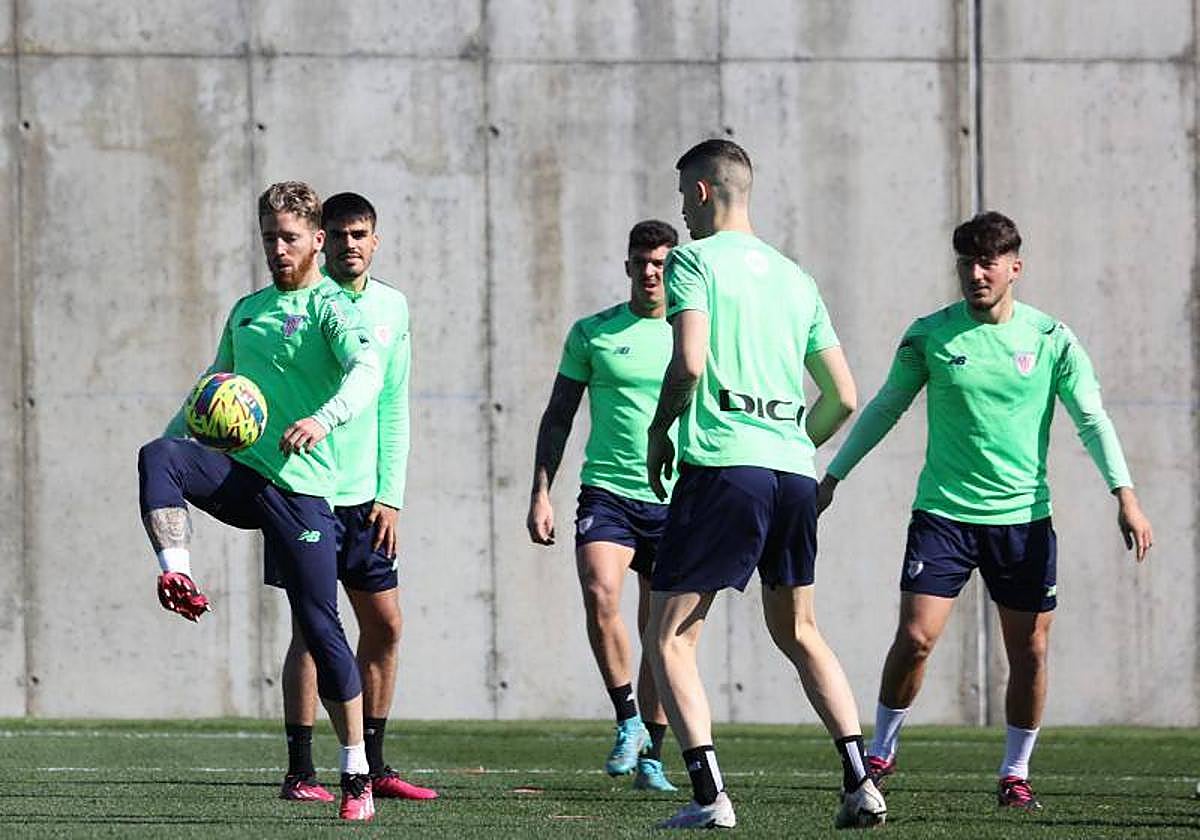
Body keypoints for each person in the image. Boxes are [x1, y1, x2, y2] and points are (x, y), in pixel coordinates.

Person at [818, 211, 1154, 810]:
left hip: (1023, 522)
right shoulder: (931, 334)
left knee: (1030, 652)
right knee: (916, 638)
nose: (976, 274)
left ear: (1014, 268)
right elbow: (887, 406)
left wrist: (1124, 495)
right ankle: (882, 751)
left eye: (988, 263)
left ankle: (1015, 772)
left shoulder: (1051, 339)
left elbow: (1091, 418)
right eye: (966, 263)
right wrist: (833, 476)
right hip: (943, 516)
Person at [645, 139, 887, 830]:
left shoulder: (693, 261)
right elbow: (843, 396)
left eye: (682, 196)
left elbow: (690, 363)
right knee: (800, 630)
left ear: (700, 192)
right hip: (791, 473)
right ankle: (860, 783)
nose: (682, 212)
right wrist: (791, 443)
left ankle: (708, 797)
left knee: (669, 636)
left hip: (725, 467)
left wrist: (662, 429)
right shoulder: (796, 278)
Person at [138, 181, 383, 821]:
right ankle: (178, 575)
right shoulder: (248, 310)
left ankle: (356, 769)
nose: (278, 248)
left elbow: (367, 373)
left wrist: (324, 419)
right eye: (269, 237)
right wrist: (178, 441)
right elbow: (210, 385)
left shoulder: (334, 308)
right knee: (158, 455)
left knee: (320, 628)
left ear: (317, 240)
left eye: (290, 238)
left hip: (302, 493)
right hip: (244, 478)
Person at [270, 192, 437, 804]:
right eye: (338, 234)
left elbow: (393, 403)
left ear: (375, 239)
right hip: (304, 490)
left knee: (385, 625)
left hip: (366, 500)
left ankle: (376, 761)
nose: (349, 245)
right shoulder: (302, 305)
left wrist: (390, 495)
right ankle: (301, 772)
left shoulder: (393, 307)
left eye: (359, 234)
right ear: (321, 240)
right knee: (311, 630)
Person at [526, 219, 680, 791]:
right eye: (642, 262)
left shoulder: (695, 333)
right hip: (608, 493)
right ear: (627, 266)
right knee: (600, 594)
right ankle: (627, 719)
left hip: (676, 497)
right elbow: (558, 416)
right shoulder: (593, 332)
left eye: (661, 264)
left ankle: (652, 755)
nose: (650, 273)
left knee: (660, 631)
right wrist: (541, 491)